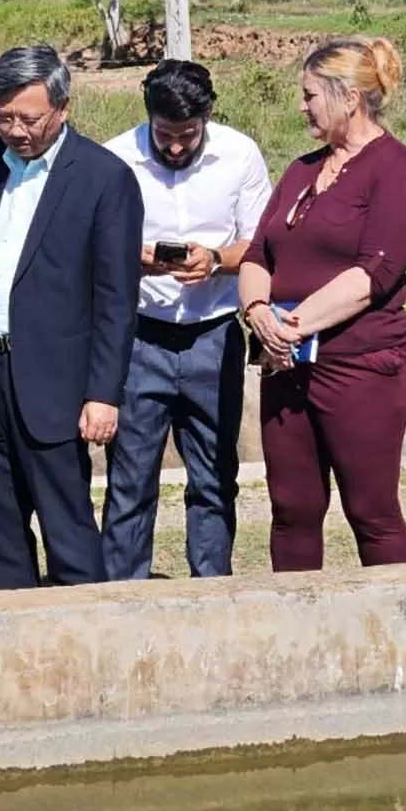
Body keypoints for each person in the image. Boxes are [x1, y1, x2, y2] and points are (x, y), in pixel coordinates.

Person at [0, 45, 143, 590]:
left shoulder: (103, 177)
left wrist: (104, 393)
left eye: (29, 118)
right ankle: (13, 633)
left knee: (67, 527)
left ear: (63, 108)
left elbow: (117, 298)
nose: (16, 130)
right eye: (5, 117)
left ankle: (83, 641)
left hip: (57, 380)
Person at [239, 37, 406, 573]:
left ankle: (396, 634)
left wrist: (289, 326)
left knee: (372, 511)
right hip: (284, 364)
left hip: (360, 368)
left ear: (349, 98)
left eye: (310, 96)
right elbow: (257, 253)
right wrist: (258, 311)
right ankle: (299, 632)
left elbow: (375, 274)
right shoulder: (301, 170)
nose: (301, 107)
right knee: (291, 509)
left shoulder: (397, 170)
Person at [101, 60, 272, 579]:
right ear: (148, 117)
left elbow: (263, 246)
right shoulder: (115, 159)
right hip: (139, 338)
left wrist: (217, 260)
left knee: (215, 478)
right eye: (165, 135)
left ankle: (211, 590)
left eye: (187, 135)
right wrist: (136, 257)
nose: (176, 147)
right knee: (130, 481)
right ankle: (125, 595)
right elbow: (94, 248)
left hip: (213, 337)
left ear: (208, 117)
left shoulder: (239, 155)